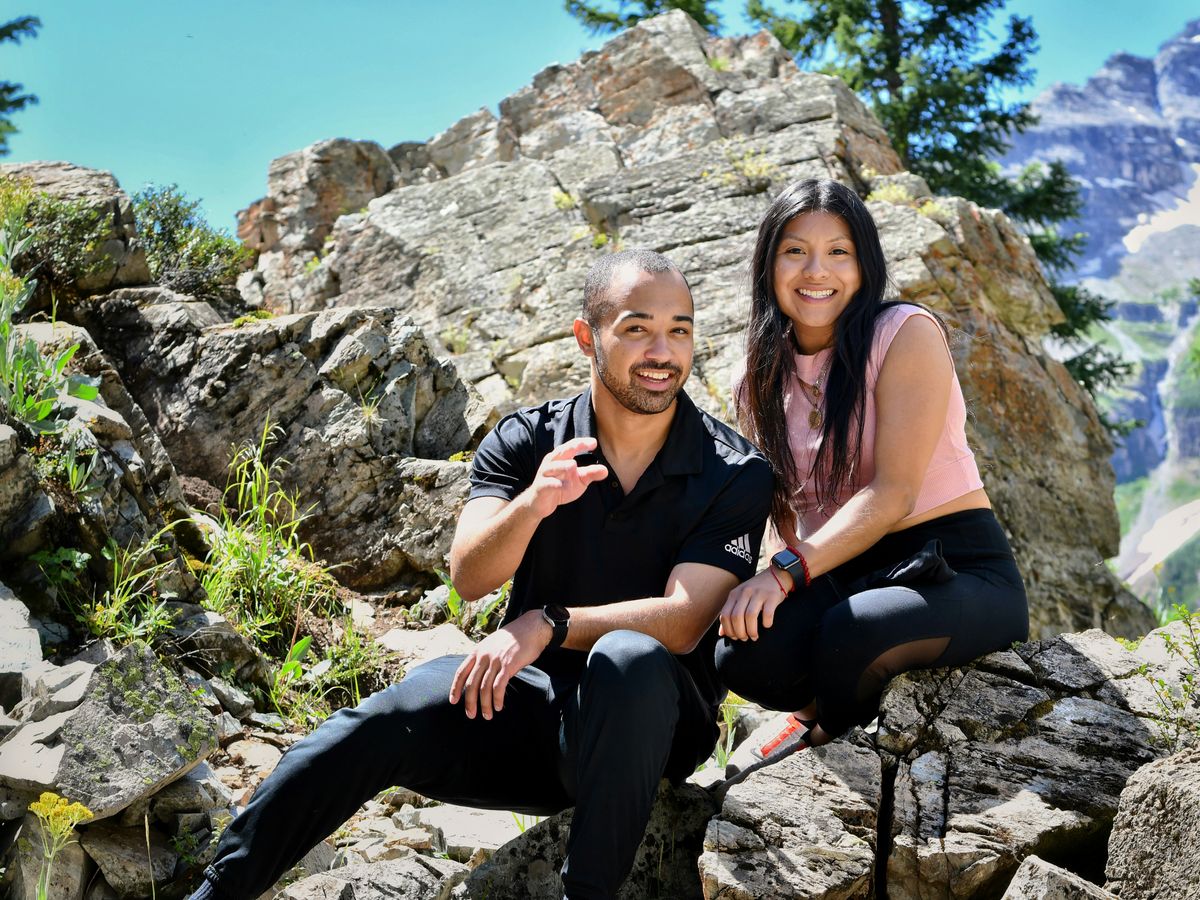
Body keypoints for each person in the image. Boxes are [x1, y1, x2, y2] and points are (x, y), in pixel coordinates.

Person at [186, 249, 773, 900]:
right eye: (637, 329)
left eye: (680, 330)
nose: (663, 351)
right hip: (524, 708)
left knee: (627, 659)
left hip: (650, 728)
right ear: (588, 337)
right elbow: (468, 575)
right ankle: (216, 892)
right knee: (376, 724)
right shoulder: (527, 440)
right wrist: (533, 504)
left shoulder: (734, 472)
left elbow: (687, 620)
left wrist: (546, 625)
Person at [713, 178, 1029, 764]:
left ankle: (826, 734)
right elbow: (783, 511)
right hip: (845, 569)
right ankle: (819, 707)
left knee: (851, 630)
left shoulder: (904, 333)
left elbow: (894, 494)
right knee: (742, 649)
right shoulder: (756, 378)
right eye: (794, 251)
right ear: (768, 264)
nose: (817, 271)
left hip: (957, 568)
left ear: (864, 265)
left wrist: (783, 575)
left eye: (839, 252)